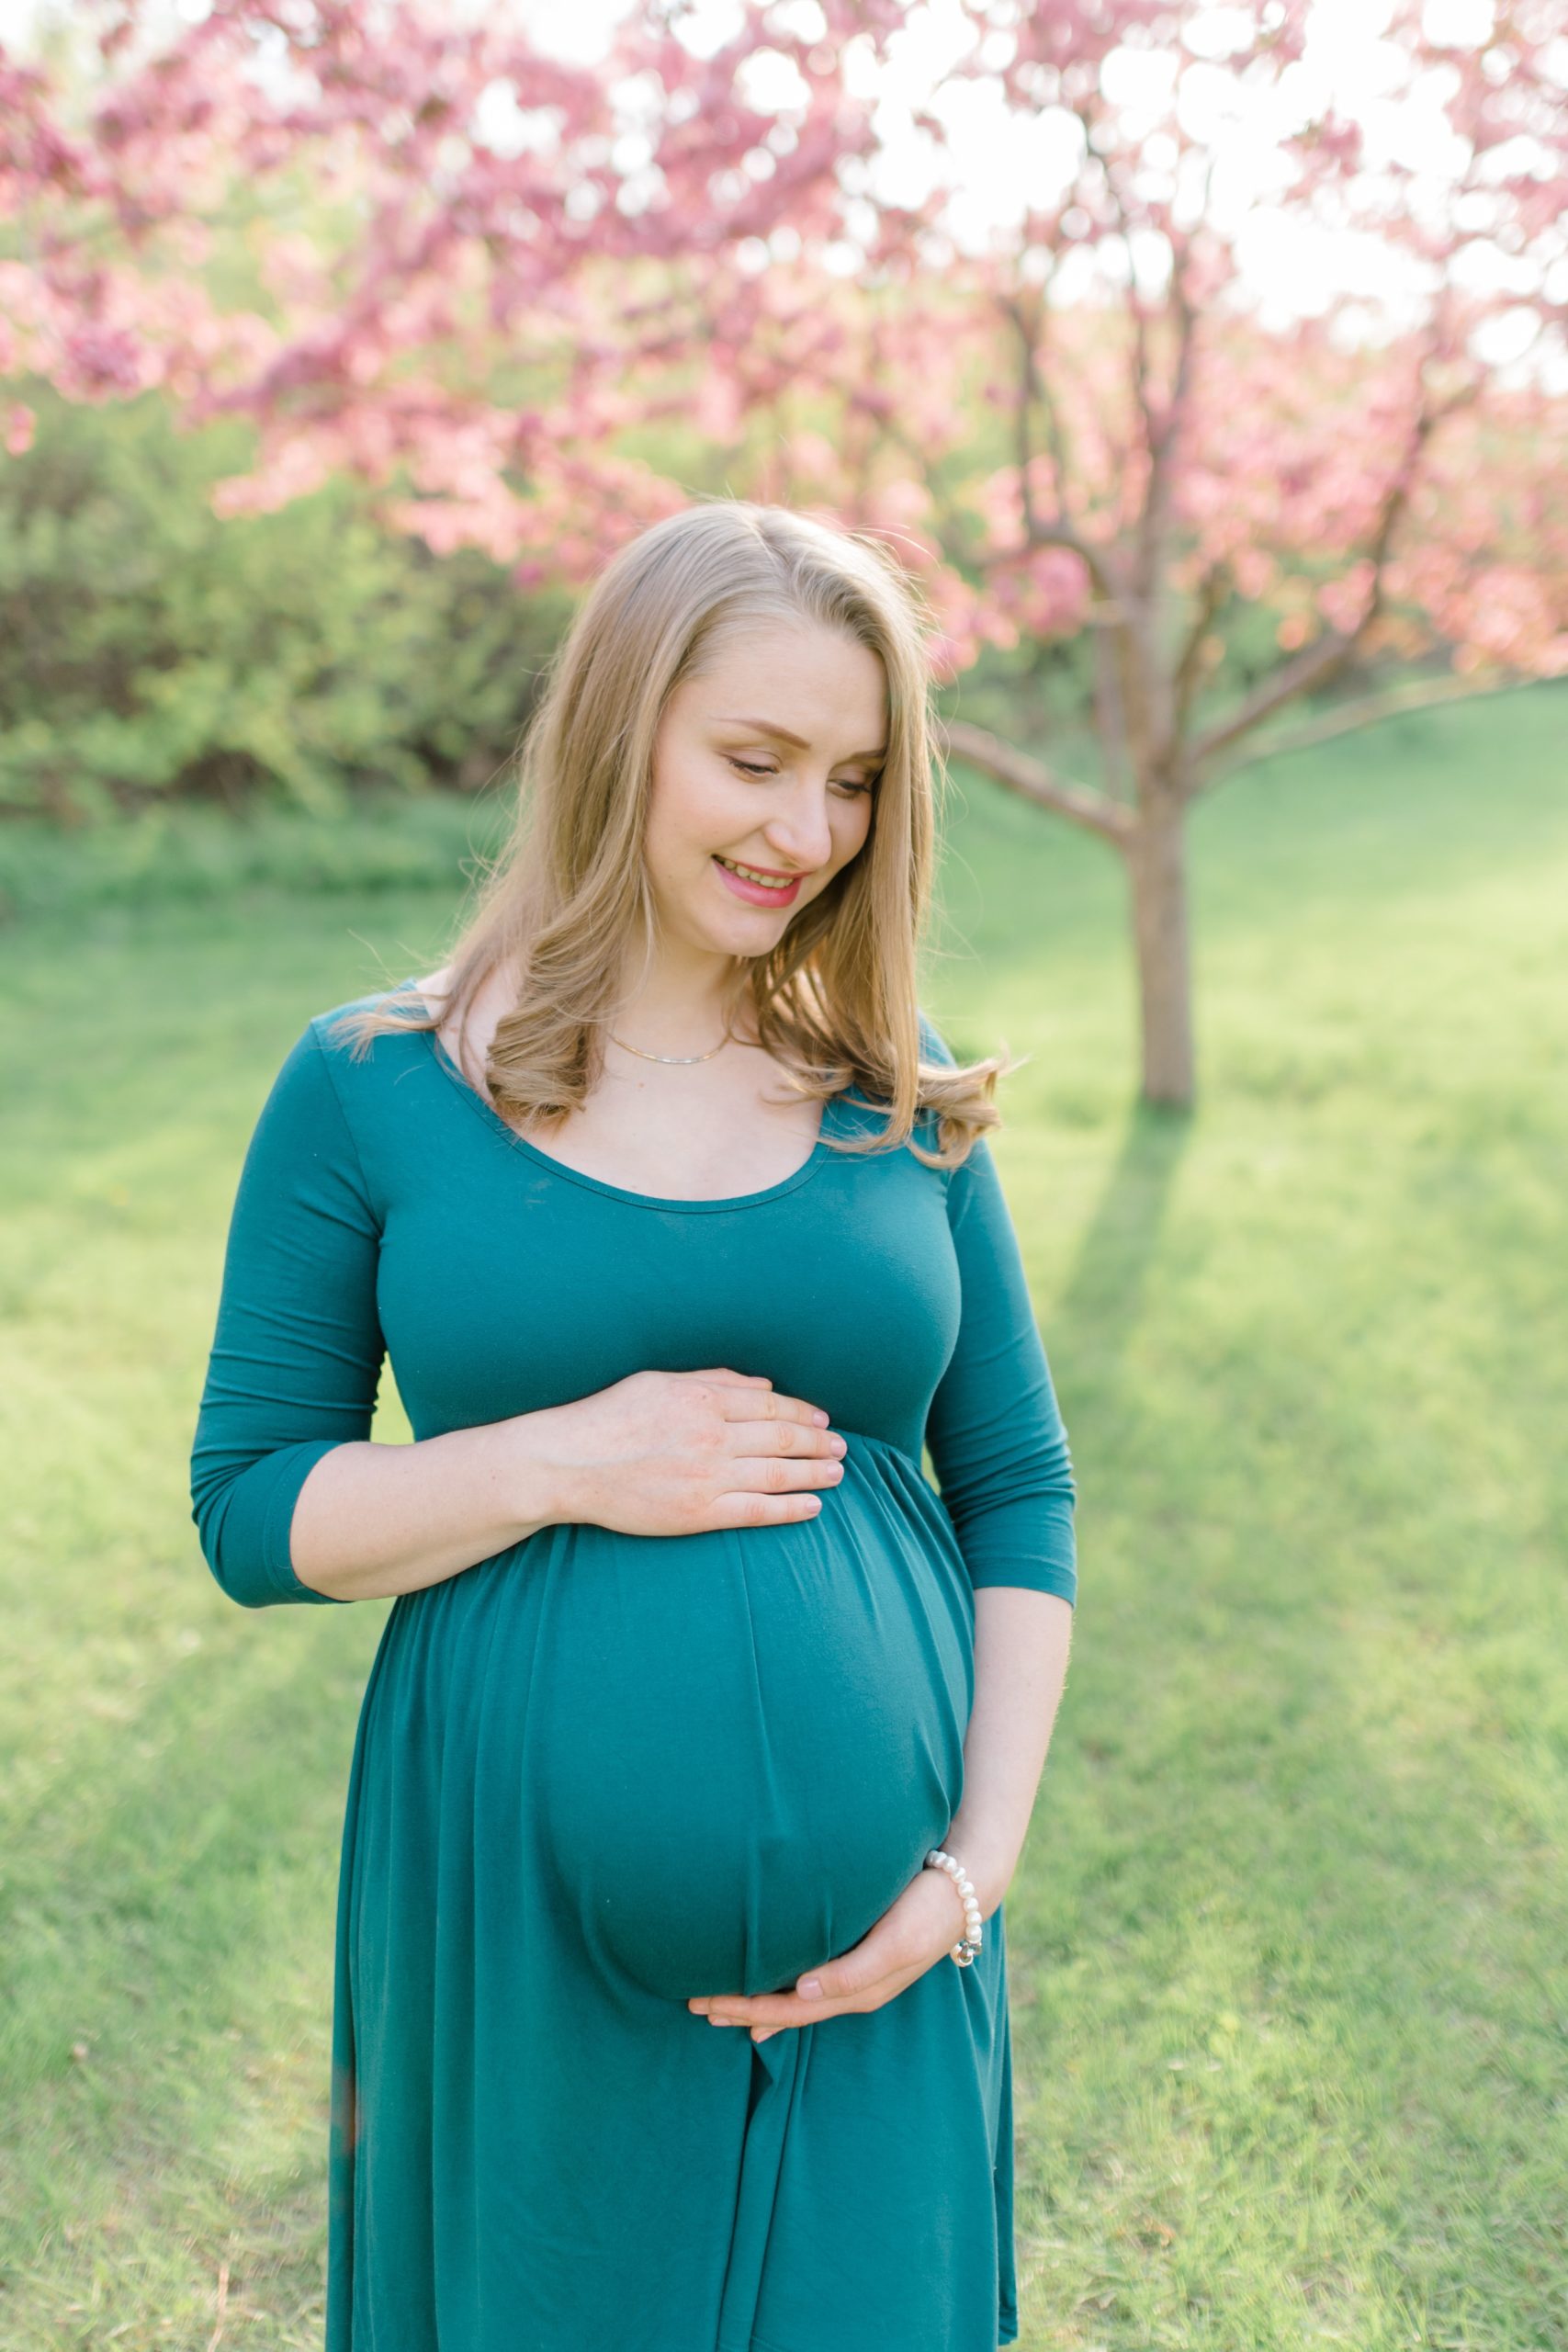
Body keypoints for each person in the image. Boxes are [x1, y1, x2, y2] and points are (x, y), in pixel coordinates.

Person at [188, 498, 1077, 2352]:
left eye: (847, 778)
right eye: (752, 760)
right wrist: (555, 1461)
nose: (801, 830)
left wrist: (965, 1873)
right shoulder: (376, 1085)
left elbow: (1017, 1490)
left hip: (891, 1962)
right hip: (505, 1923)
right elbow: (253, 1505)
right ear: (618, 731)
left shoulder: (896, 1097)